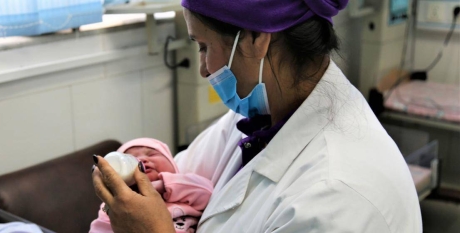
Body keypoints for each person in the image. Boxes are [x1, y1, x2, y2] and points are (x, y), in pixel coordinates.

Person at [92, 0, 422, 232]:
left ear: (256, 38)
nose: (205, 70)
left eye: (205, 46)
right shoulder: (258, 117)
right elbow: (175, 179)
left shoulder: (338, 199)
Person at [90, 138, 213, 233]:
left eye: (151, 154)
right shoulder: (115, 204)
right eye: (131, 159)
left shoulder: (183, 188)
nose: (142, 159)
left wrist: (164, 184)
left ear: (173, 165)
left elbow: (207, 193)